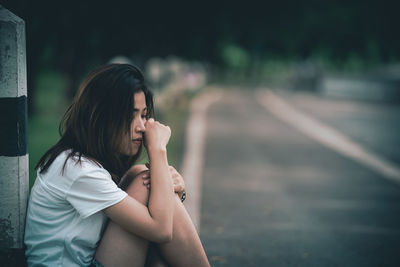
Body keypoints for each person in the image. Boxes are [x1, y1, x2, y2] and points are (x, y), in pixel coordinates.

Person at [24, 63, 210, 267]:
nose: (141, 127)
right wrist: (158, 150)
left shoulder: (83, 163)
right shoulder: (77, 170)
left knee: (141, 175)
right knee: (145, 184)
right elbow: (161, 230)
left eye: (143, 115)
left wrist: (169, 186)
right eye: (130, 116)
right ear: (101, 117)